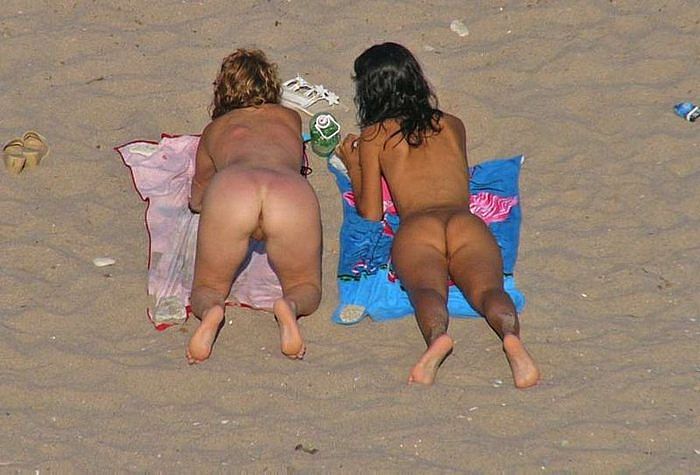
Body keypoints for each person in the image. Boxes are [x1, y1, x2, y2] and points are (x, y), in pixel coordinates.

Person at [336, 42, 539, 387]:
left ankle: (438, 339)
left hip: (419, 227)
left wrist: (354, 165)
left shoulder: (374, 138)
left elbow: (370, 213)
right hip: (465, 222)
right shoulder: (454, 125)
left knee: (426, 291)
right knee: (488, 290)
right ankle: (510, 337)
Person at [186, 48, 322, 364]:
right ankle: (289, 306)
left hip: (234, 187)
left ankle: (213, 311)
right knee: (305, 286)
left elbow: (197, 197)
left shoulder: (214, 130)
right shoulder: (290, 118)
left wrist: (205, 204)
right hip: (287, 190)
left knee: (207, 287)